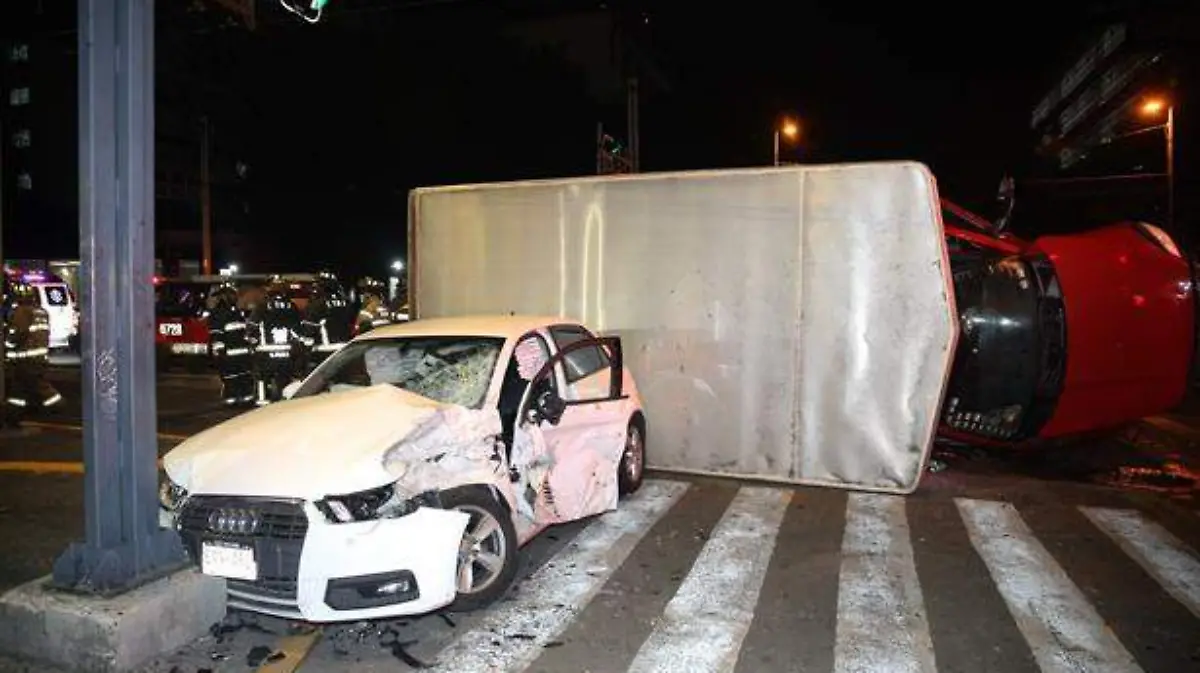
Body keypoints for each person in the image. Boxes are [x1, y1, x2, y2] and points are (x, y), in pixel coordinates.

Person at [3, 280, 61, 415]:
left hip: (25, 360)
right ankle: (12, 415)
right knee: (20, 389)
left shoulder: (21, 312)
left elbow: (17, 333)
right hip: (39, 358)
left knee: (38, 387)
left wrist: (6, 346)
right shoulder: (41, 312)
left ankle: (58, 407)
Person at [248, 286, 307, 405]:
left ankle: (262, 400)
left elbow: (252, 327)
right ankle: (283, 402)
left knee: (262, 377)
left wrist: (253, 342)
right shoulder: (292, 306)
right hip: (287, 352)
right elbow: (299, 329)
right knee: (284, 379)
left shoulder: (262, 307)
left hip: (266, 352)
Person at [206, 283, 255, 407]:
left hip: (241, 354)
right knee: (231, 378)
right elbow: (216, 334)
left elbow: (243, 330)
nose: (235, 298)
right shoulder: (219, 313)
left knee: (243, 377)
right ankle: (233, 400)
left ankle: (244, 399)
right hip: (229, 354)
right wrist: (220, 351)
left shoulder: (236, 312)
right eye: (232, 295)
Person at [301, 274, 353, 371]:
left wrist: (305, 353)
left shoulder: (316, 305)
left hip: (323, 351)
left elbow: (309, 331)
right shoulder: (347, 303)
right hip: (344, 349)